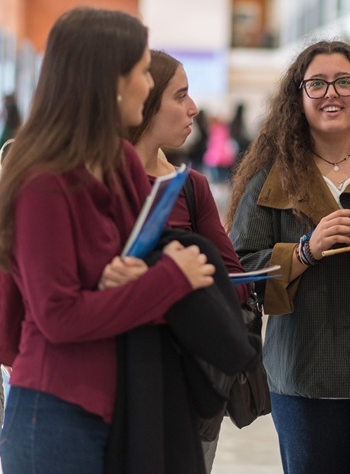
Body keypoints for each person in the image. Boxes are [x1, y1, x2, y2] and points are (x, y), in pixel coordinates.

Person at [0, 8, 223, 473]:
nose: (148, 85)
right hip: (57, 408)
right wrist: (169, 280)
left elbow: (144, 262)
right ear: (108, 80)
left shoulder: (123, 165)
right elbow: (59, 317)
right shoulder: (44, 180)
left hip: (129, 394)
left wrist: (147, 275)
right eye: (140, 72)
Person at [227, 39, 350, 474]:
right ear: (298, 97)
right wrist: (305, 251)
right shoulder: (271, 176)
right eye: (316, 84)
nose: (330, 93)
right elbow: (240, 270)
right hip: (305, 371)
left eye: (343, 82)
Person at [127, 50, 255, 471]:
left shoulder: (189, 186)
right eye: (180, 95)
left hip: (187, 379)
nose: (193, 108)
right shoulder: (95, 183)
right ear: (143, 100)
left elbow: (236, 280)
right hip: (116, 379)